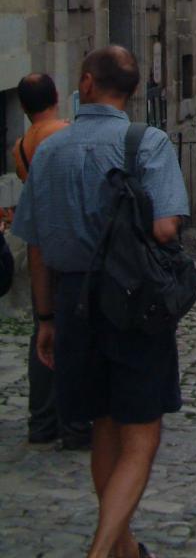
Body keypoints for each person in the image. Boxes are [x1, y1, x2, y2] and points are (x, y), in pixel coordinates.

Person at [13, 45, 190, 558]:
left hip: (73, 303)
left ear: (87, 84)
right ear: (131, 91)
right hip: (133, 305)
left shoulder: (48, 151)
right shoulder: (148, 143)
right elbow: (163, 228)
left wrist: (46, 318)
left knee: (103, 428)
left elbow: (38, 244)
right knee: (142, 438)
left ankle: (125, 550)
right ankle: (101, 552)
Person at [12, 73, 92, 450]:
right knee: (72, 333)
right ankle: (72, 416)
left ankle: (41, 418)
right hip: (66, 241)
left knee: (42, 331)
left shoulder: (21, 147)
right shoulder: (63, 135)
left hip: (39, 241)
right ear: (56, 97)